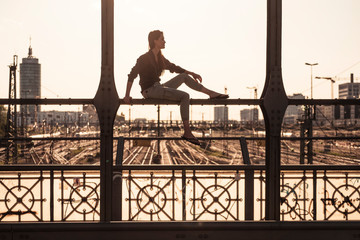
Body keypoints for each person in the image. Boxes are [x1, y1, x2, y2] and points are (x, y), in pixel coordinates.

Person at [124, 30, 228, 145]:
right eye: (162, 39)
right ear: (155, 41)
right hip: (150, 90)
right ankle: (187, 132)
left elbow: (174, 67)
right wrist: (127, 96)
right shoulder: (144, 58)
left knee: (184, 76)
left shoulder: (160, 58)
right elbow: (132, 75)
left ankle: (210, 93)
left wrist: (192, 73)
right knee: (185, 96)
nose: (165, 41)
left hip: (158, 87)